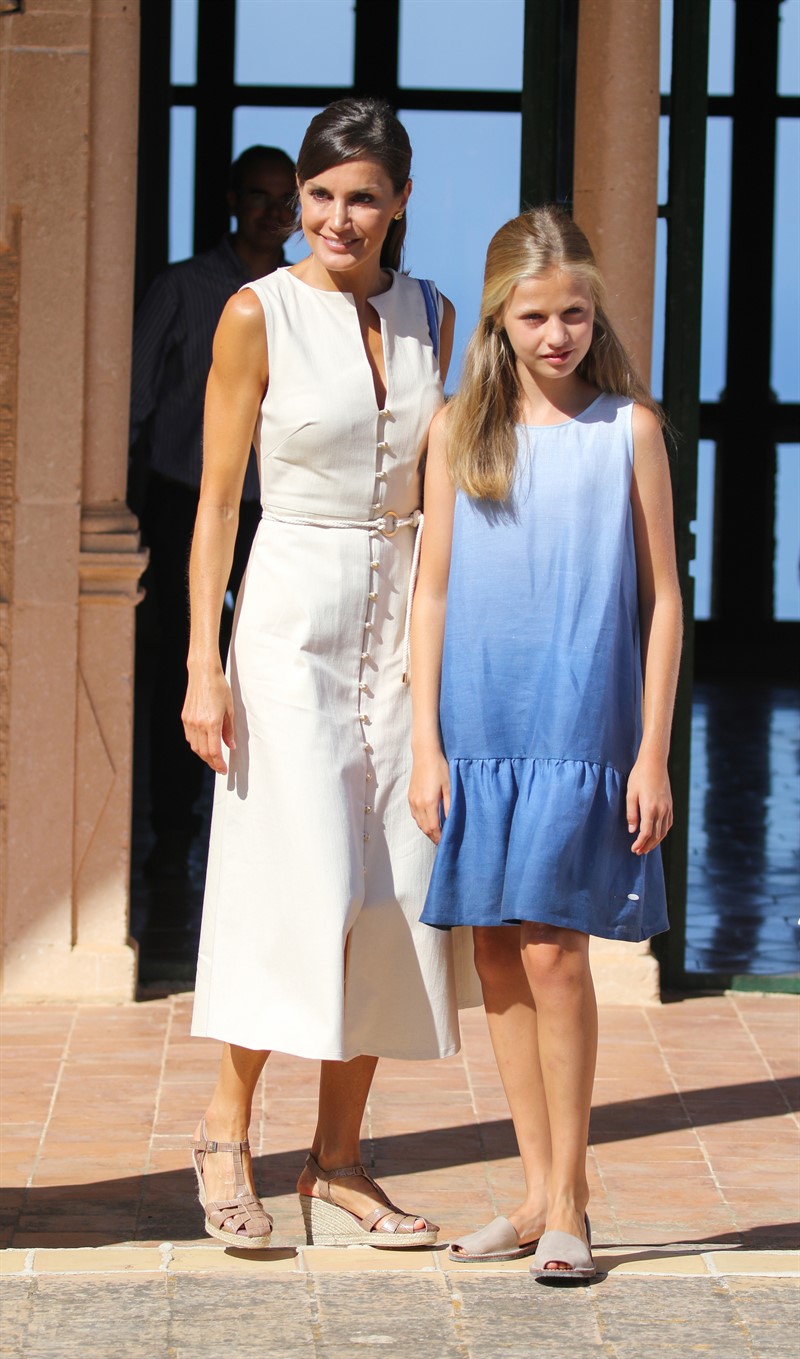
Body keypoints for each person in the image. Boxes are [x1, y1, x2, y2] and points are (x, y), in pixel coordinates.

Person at [182, 98, 479, 1250]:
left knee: (388, 887)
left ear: (400, 203)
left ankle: (338, 1160)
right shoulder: (253, 313)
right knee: (293, 879)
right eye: (319, 196)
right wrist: (202, 664)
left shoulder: (433, 314)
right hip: (287, 619)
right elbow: (217, 503)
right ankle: (224, 1135)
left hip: (402, 622)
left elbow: (451, 487)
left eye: (361, 196)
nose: (336, 218)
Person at [408, 207, 682, 1280]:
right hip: (479, 726)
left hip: (581, 727)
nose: (557, 334)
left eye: (574, 313)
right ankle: (531, 1196)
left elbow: (663, 601)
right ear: (498, 319)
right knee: (493, 955)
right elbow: (431, 593)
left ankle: (571, 1198)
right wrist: (428, 744)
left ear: (594, 313)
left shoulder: (630, 431)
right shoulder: (455, 431)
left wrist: (651, 751)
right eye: (534, 317)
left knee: (554, 953)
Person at [130, 146, 297, 879]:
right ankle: (172, 832)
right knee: (185, 659)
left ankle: (267, 827)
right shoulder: (181, 288)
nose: (273, 212)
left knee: (272, 664)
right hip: (183, 500)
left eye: (285, 200)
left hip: (278, 511)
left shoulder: (303, 297)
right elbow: (133, 399)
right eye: (258, 196)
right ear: (233, 199)